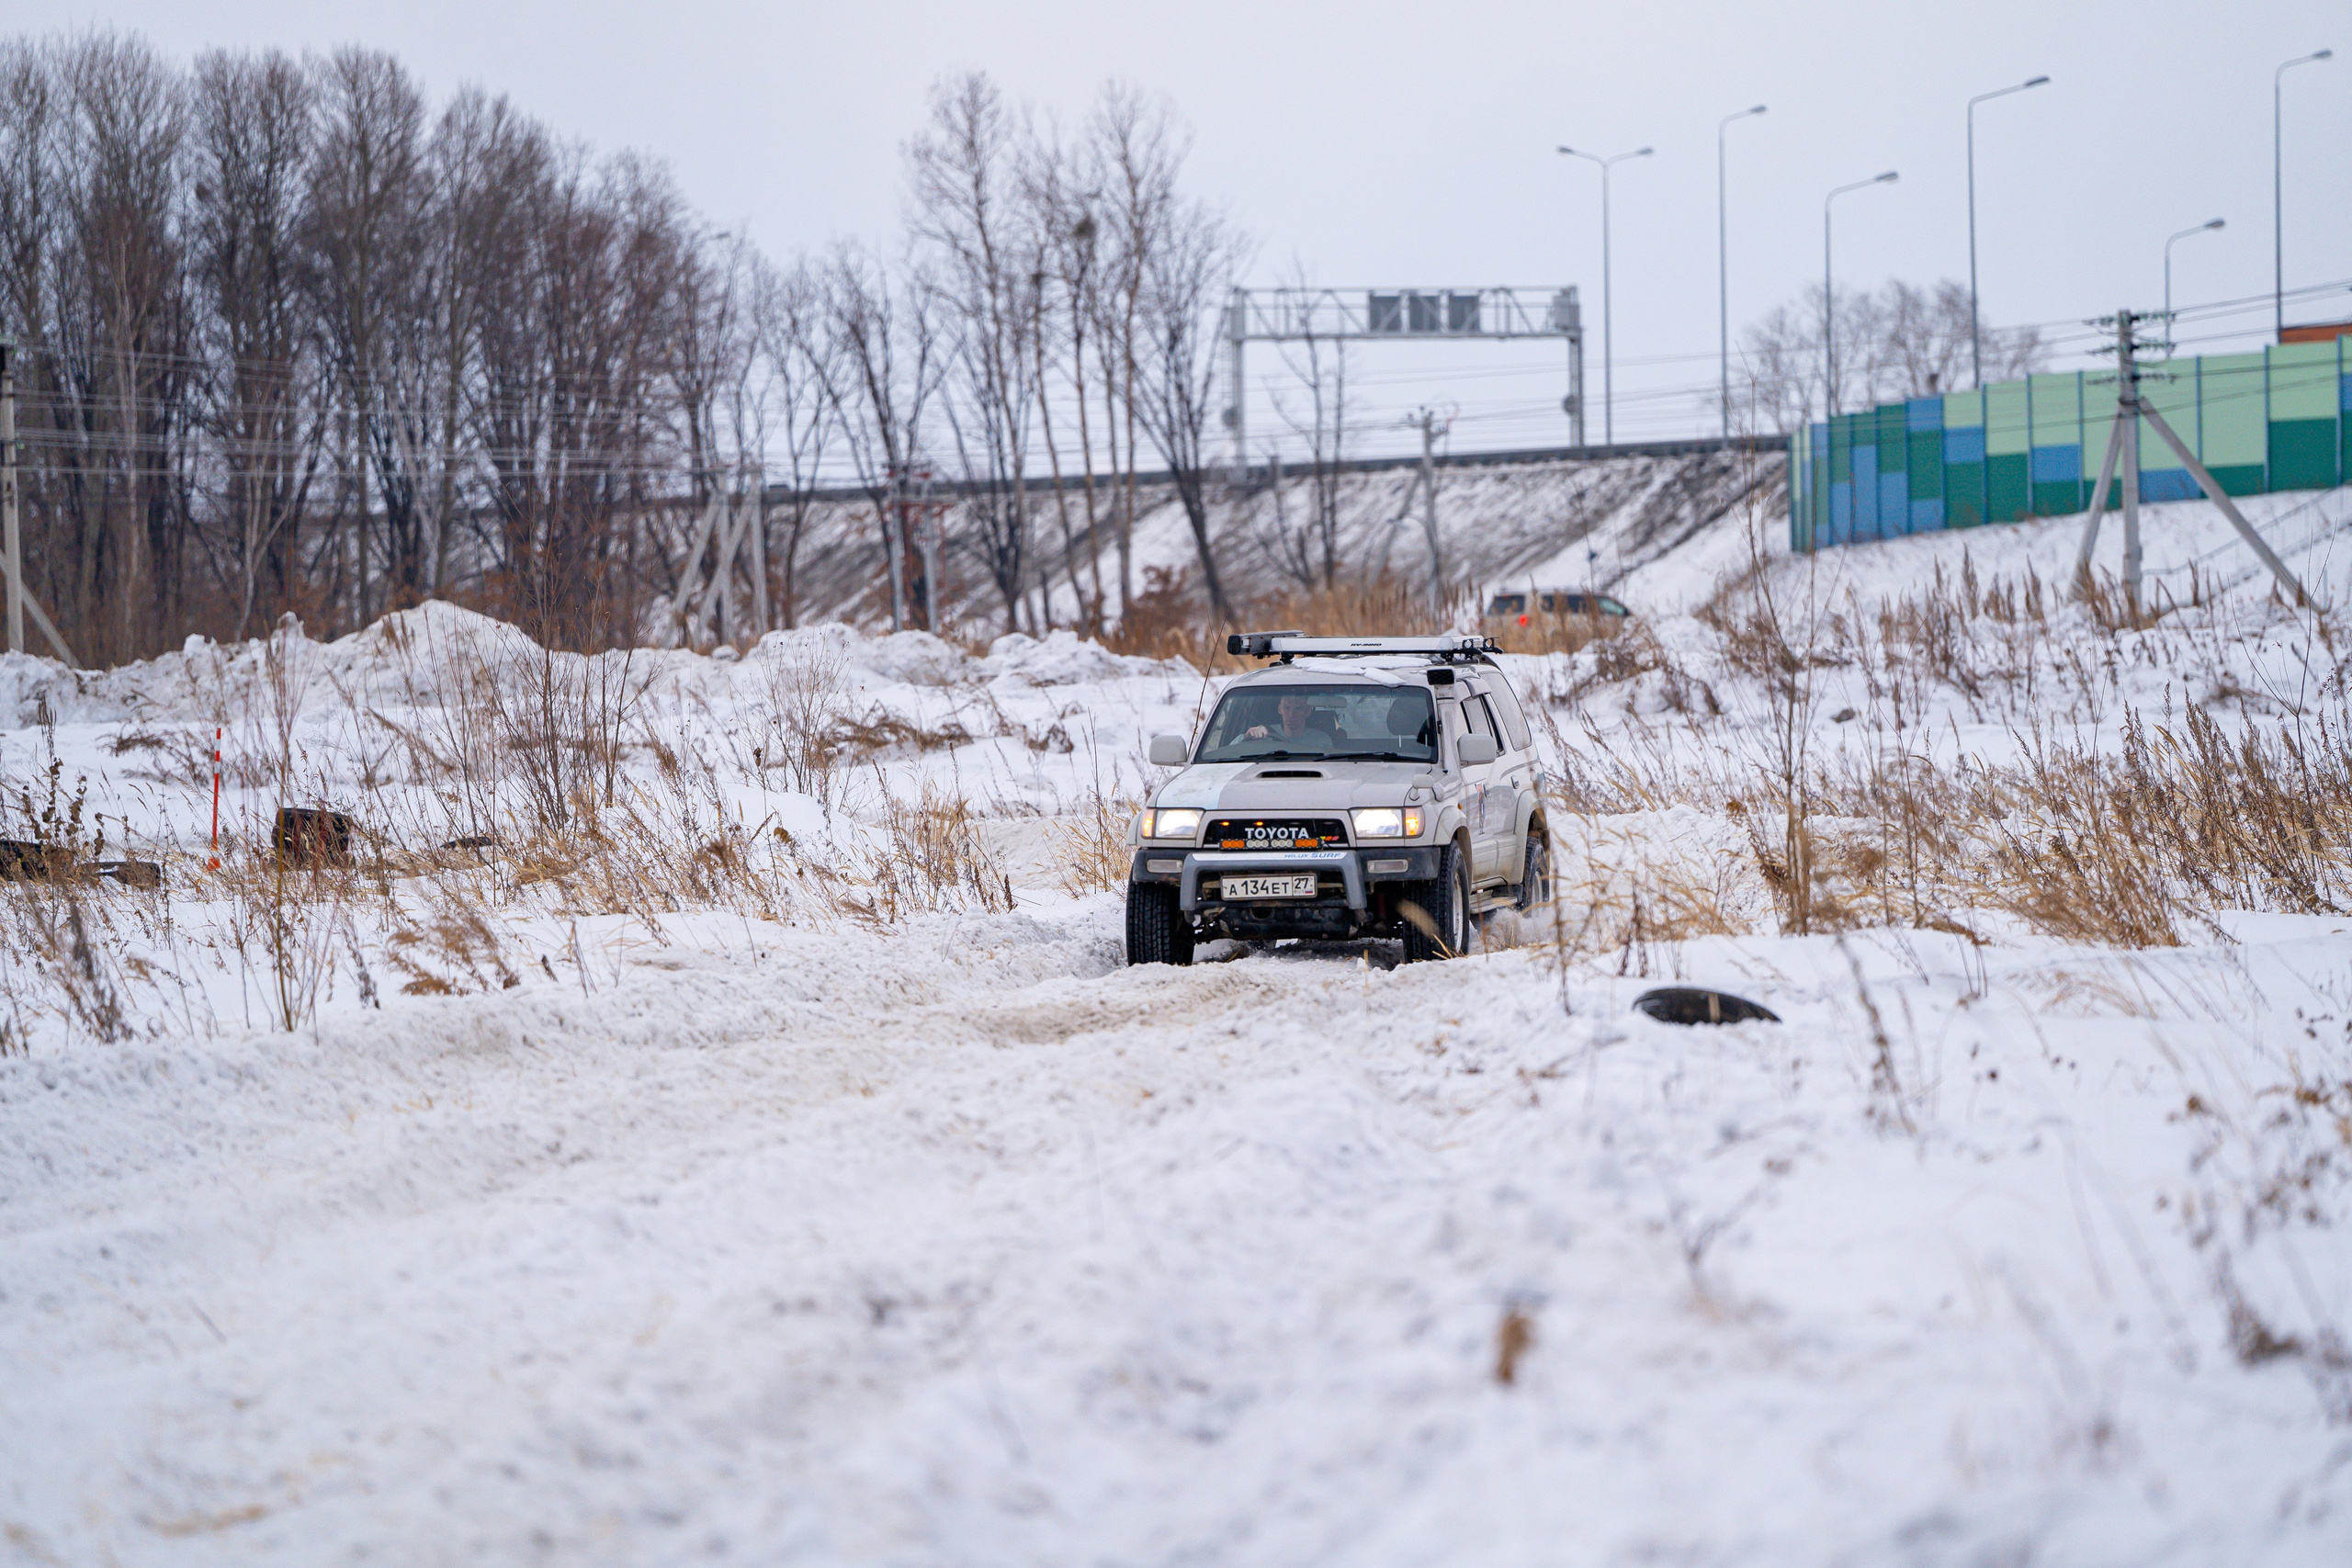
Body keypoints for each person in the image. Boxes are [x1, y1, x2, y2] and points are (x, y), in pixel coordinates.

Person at [1244, 692, 1323, 742]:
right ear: (1279, 709)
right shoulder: (1265, 733)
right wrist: (1250, 734)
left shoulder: (1321, 740)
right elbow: (1237, 747)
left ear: (1308, 711)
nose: (1291, 714)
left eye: (1298, 709)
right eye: (1286, 708)